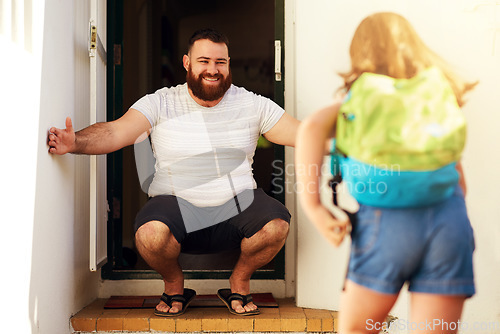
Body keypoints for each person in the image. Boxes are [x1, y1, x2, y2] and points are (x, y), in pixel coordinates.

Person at [48, 28, 299, 317]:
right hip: (176, 208)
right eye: (204, 61)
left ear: (229, 64)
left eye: (221, 62)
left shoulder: (253, 104)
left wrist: (350, 137)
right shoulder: (160, 102)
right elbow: (117, 131)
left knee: (277, 224)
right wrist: (75, 141)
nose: (213, 70)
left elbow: (302, 134)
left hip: (236, 205)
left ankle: (239, 281)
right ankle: (174, 283)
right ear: (186, 63)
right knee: (149, 235)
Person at [295, 12, 476, 334]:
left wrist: (315, 208)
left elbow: (310, 128)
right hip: (449, 221)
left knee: (358, 330)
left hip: (385, 223)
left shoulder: (365, 98)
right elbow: (458, 176)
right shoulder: (436, 92)